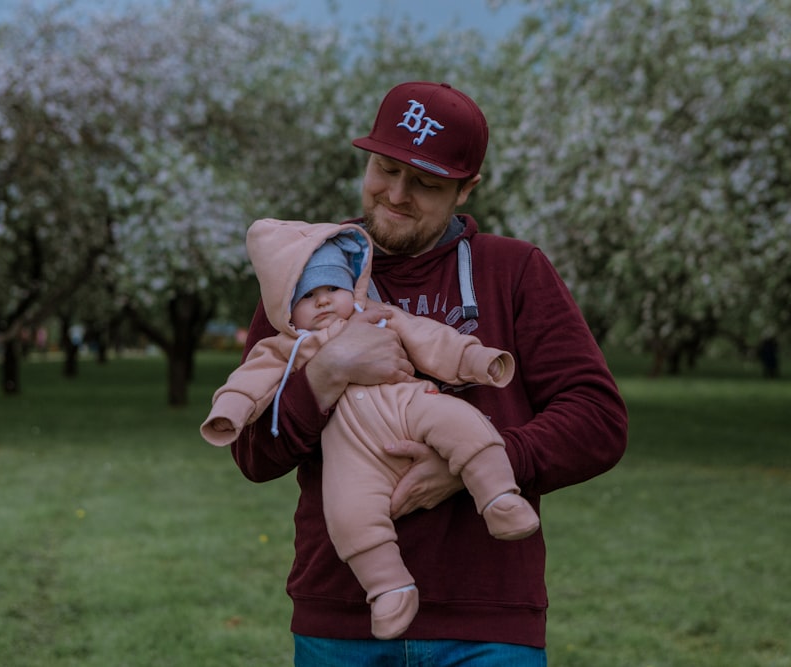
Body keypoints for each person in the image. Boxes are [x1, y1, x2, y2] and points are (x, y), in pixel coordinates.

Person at [230, 81, 628, 666]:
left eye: (426, 183)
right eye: (384, 169)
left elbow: (597, 420)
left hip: (487, 619)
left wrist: (477, 462)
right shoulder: (301, 276)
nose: (396, 195)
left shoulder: (514, 271)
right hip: (341, 617)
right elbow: (253, 454)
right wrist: (327, 373)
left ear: (467, 189)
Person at [201, 218, 541, 639]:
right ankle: (389, 589)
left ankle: (498, 498)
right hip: (350, 449)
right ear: (285, 308)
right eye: (307, 295)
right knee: (347, 514)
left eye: (333, 289)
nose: (323, 302)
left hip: (409, 405)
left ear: (353, 289)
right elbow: (249, 382)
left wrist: (477, 360)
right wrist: (229, 412)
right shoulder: (285, 348)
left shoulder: (381, 317)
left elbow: (433, 340)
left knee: (462, 423)